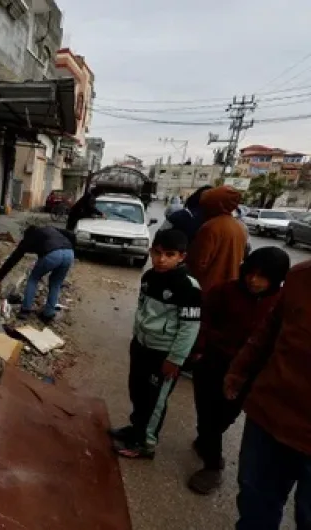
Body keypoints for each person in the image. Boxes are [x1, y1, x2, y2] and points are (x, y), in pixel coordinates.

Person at [187, 247, 290, 495]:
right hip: (213, 363)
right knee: (208, 413)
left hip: (248, 373)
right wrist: (199, 351)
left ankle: (207, 440)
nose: (254, 281)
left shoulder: (281, 303)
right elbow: (202, 320)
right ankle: (213, 465)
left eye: (263, 277)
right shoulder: (224, 291)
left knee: (226, 416)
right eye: (251, 273)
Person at [224, 260, 311, 530]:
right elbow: (267, 332)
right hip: (269, 417)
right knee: (255, 506)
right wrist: (238, 370)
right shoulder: (301, 277)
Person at [110, 229, 202, 459]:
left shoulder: (188, 287)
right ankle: (136, 429)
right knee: (138, 392)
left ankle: (145, 443)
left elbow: (189, 328)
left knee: (154, 400)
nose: (161, 259)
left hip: (164, 355)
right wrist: (136, 337)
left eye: (169, 254)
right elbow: (142, 308)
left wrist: (175, 359)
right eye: (157, 253)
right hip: (142, 346)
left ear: (182, 256)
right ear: (151, 251)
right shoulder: (149, 277)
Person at [0, 225, 75, 323]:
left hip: (52, 254)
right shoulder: (50, 229)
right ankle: (48, 314)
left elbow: (13, 259)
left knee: (33, 279)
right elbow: (71, 234)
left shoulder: (29, 238)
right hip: (69, 253)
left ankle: (25, 310)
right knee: (56, 283)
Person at [186, 186, 247, 291]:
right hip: (229, 286)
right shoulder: (240, 227)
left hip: (208, 287)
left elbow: (199, 263)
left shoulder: (211, 227)